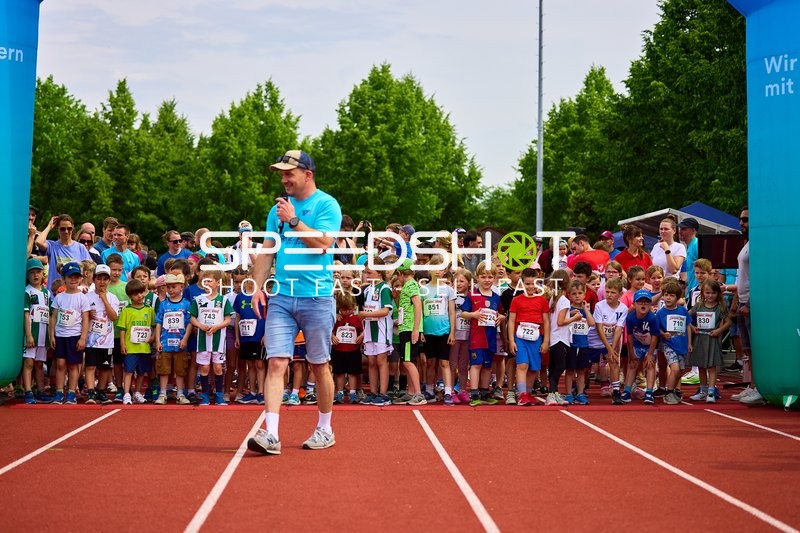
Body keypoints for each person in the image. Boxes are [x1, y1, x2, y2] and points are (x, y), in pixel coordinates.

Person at [248, 150, 342, 455]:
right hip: (282, 298)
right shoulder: (275, 210)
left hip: (317, 297)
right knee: (276, 361)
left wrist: (294, 220)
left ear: (307, 174)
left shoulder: (326, 204)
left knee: (319, 365)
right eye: (281, 174)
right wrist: (257, 286)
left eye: (289, 173)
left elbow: (323, 244)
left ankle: (325, 428)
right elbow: (266, 251)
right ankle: (271, 434)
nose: (284, 179)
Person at [460, 262, 505, 406]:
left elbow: (501, 313)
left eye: (490, 277)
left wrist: (502, 317)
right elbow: (463, 313)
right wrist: (474, 314)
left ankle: (485, 392)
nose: (487, 280)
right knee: (476, 364)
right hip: (477, 337)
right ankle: (473, 393)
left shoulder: (496, 296)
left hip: (491, 336)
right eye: (483, 277)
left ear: (494, 278)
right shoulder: (472, 294)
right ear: (477, 277)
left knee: (487, 365)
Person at [731, 208, 762, 404]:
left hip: (752, 303)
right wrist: (736, 300)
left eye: (745, 220)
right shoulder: (746, 244)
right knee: (747, 349)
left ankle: (760, 387)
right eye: (740, 219)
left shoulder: (757, 244)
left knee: (756, 348)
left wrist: (749, 304)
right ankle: (751, 385)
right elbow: (741, 275)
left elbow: (759, 276)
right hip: (742, 300)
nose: (741, 223)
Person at [189, 268, 233, 406]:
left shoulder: (223, 300)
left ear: (217, 283)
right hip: (203, 340)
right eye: (204, 280)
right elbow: (192, 318)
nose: (206, 283)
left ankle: (219, 394)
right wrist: (200, 326)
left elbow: (228, 319)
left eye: (210, 280)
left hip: (218, 340)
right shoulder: (198, 300)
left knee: (218, 367)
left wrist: (217, 327)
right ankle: (205, 395)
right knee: (204, 367)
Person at [506, 267, 550, 407]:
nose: (531, 287)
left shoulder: (542, 301)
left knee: (533, 368)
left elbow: (546, 321)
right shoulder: (516, 300)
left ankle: (528, 393)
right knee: (522, 364)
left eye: (533, 284)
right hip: (520, 338)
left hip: (536, 338)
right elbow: (511, 321)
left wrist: (546, 341)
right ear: (522, 284)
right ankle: (522, 394)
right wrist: (512, 340)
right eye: (527, 284)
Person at [48, 262, 90, 404]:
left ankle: (71, 392)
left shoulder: (83, 298)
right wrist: (51, 335)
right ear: (64, 278)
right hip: (60, 335)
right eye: (70, 277)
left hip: (75, 335)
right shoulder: (59, 297)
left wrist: (83, 338)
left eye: (76, 277)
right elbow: (53, 317)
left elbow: (85, 319)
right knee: (60, 364)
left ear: (80, 279)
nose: (73, 279)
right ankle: (59, 392)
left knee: (73, 365)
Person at [419, 256, 457, 404]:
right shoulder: (423, 289)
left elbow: (452, 312)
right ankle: (429, 390)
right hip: (428, 332)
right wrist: (421, 331)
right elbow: (420, 312)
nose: (437, 271)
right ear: (429, 269)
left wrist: (452, 332)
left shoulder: (448, 289)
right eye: (434, 267)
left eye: (441, 268)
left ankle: (448, 391)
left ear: (445, 271)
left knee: (444, 363)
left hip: (444, 331)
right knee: (429, 362)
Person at [357, 257, 394, 406]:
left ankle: (383, 394)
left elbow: (385, 310)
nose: (366, 275)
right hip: (369, 329)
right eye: (365, 272)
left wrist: (365, 314)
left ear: (378, 272)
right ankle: (372, 392)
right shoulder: (367, 290)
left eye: (369, 272)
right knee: (371, 361)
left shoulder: (384, 288)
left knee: (381, 360)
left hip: (382, 330)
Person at [688, 280, 731, 403]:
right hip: (700, 339)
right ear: (702, 293)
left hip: (712, 339)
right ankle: (703, 390)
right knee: (701, 366)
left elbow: (728, 322)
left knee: (711, 366)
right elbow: (686, 315)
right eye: (707, 293)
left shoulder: (720, 307)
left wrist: (719, 330)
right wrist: (692, 327)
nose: (710, 296)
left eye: (713, 293)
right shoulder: (699, 305)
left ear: (718, 294)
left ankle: (711, 390)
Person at [154, 273, 193, 405]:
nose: (170, 290)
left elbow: (189, 323)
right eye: (168, 287)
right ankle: (163, 393)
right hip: (165, 342)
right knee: (164, 369)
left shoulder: (187, 304)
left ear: (181, 287)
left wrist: (185, 339)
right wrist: (158, 341)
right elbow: (159, 322)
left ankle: (180, 393)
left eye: (174, 287)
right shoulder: (163, 304)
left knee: (180, 369)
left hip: (180, 342)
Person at [391, 259, 426, 406]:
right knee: (409, 360)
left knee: (407, 361)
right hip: (406, 327)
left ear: (400, 273)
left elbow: (418, 305)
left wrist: (415, 329)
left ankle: (418, 393)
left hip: (409, 328)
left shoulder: (410, 285)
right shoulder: (410, 285)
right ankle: (411, 392)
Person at [83, 264, 120, 405]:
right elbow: (82, 317)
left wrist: (104, 300)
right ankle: (91, 391)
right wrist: (88, 314)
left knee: (105, 367)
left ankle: (101, 390)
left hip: (107, 341)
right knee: (90, 366)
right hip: (91, 340)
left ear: (109, 281)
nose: (102, 282)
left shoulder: (113, 298)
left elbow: (113, 317)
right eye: (99, 278)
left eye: (105, 279)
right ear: (94, 279)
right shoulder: (86, 297)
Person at [589, 277, 627, 404]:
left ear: (620, 294)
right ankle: (578, 388)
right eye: (607, 291)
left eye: (613, 292)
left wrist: (612, 349)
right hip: (594, 340)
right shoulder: (600, 306)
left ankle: (616, 391)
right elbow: (599, 329)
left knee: (614, 361)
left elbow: (618, 329)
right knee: (585, 365)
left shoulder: (623, 309)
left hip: (610, 341)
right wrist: (610, 349)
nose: (609, 295)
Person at [117, 279, 155, 405]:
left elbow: (154, 325)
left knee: (141, 372)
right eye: (136, 294)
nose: (140, 296)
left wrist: (153, 337)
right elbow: (122, 329)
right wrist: (122, 344)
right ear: (130, 296)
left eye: (141, 293)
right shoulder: (126, 311)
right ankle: (127, 393)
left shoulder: (149, 310)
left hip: (144, 347)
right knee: (128, 371)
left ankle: (138, 392)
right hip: (131, 347)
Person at [22, 258, 54, 404]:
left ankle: (40, 390)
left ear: (43, 274)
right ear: (27, 275)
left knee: (40, 364)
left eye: (38, 272)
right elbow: (26, 314)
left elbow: (50, 314)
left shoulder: (47, 293)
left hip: (43, 334)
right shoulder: (27, 292)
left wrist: (50, 335)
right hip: (32, 334)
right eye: (32, 272)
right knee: (29, 362)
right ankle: (28, 391)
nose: (35, 275)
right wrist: (28, 335)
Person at [35, 215, 91, 291]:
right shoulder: (52, 246)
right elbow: (38, 242)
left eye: (69, 228)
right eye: (62, 229)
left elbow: (88, 270)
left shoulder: (81, 248)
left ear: (73, 227)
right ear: (57, 229)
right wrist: (49, 226)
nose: (66, 232)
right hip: (55, 294)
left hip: (75, 294)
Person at [623, 290, 660, 404]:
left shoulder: (652, 318)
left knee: (650, 365)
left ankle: (649, 392)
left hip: (650, 345)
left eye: (646, 302)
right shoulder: (630, 318)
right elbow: (629, 336)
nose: (643, 304)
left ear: (650, 305)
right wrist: (631, 353)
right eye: (640, 302)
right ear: (634, 304)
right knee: (632, 365)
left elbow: (655, 337)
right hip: (637, 344)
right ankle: (627, 390)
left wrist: (650, 354)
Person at [656, 279, 689, 405]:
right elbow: (656, 328)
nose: (668, 298)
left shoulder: (682, 311)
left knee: (680, 371)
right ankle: (669, 392)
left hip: (681, 344)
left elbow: (688, 326)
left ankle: (673, 390)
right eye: (666, 295)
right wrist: (663, 334)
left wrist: (690, 343)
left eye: (671, 295)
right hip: (668, 345)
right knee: (674, 369)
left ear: (677, 298)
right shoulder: (660, 313)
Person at [564, 280, 595, 405]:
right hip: (571, 345)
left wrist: (585, 309)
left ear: (584, 294)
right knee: (570, 370)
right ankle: (568, 393)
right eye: (574, 293)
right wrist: (571, 315)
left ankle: (581, 393)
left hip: (583, 345)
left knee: (581, 370)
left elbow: (592, 323)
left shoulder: (585, 310)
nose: (577, 296)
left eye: (580, 293)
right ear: (569, 295)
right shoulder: (568, 309)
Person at [331, 292, 364, 404]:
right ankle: (339, 392)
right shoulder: (336, 319)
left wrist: (361, 336)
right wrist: (332, 336)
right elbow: (329, 330)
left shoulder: (356, 319)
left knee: (352, 373)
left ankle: (353, 393)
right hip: (338, 350)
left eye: (349, 309)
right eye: (343, 309)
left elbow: (363, 331)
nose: (346, 312)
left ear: (353, 307)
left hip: (353, 350)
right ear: (339, 308)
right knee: (339, 372)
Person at [546, 269, 572, 405]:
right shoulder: (564, 300)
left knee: (554, 365)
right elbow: (560, 321)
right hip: (560, 338)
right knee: (560, 366)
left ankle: (554, 393)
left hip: (554, 337)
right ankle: (551, 393)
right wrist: (575, 318)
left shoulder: (553, 299)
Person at [678, 217, 700, 298]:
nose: (680, 231)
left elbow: (707, 269)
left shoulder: (696, 244)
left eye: (683, 229)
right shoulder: (690, 246)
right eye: (680, 228)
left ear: (693, 230)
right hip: (692, 292)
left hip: (697, 293)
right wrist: (684, 283)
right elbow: (692, 271)